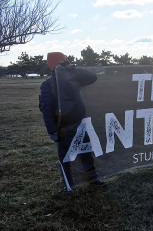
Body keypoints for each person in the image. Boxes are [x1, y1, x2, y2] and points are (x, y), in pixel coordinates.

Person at [40, 52, 105, 193]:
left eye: (67, 61)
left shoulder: (74, 79)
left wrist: (74, 70)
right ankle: (69, 185)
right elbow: (46, 109)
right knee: (65, 158)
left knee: (87, 153)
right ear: (55, 65)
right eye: (63, 62)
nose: (67, 63)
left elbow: (93, 77)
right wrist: (52, 130)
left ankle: (93, 180)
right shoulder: (48, 85)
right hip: (62, 128)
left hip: (81, 125)